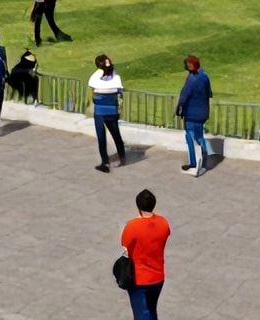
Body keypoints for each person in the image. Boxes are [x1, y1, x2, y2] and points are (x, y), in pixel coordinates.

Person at [120, 188, 169, 320]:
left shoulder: (132, 226)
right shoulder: (164, 223)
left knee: (141, 314)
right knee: (152, 310)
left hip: (139, 278)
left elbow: (124, 244)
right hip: (158, 276)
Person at [89, 53, 127, 173]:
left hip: (100, 111)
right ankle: (122, 157)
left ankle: (105, 163)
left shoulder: (95, 77)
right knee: (116, 135)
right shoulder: (115, 76)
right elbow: (120, 91)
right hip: (112, 110)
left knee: (101, 138)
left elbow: (93, 89)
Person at [175, 55, 212, 176]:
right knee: (199, 136)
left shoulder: (192, 79)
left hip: (192, 114)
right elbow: (209, 93)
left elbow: (184, 97)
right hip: (203, 112)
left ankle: (194, 164)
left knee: (191, 138)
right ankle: (203, 160)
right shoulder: (205, 76)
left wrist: (178, 109)